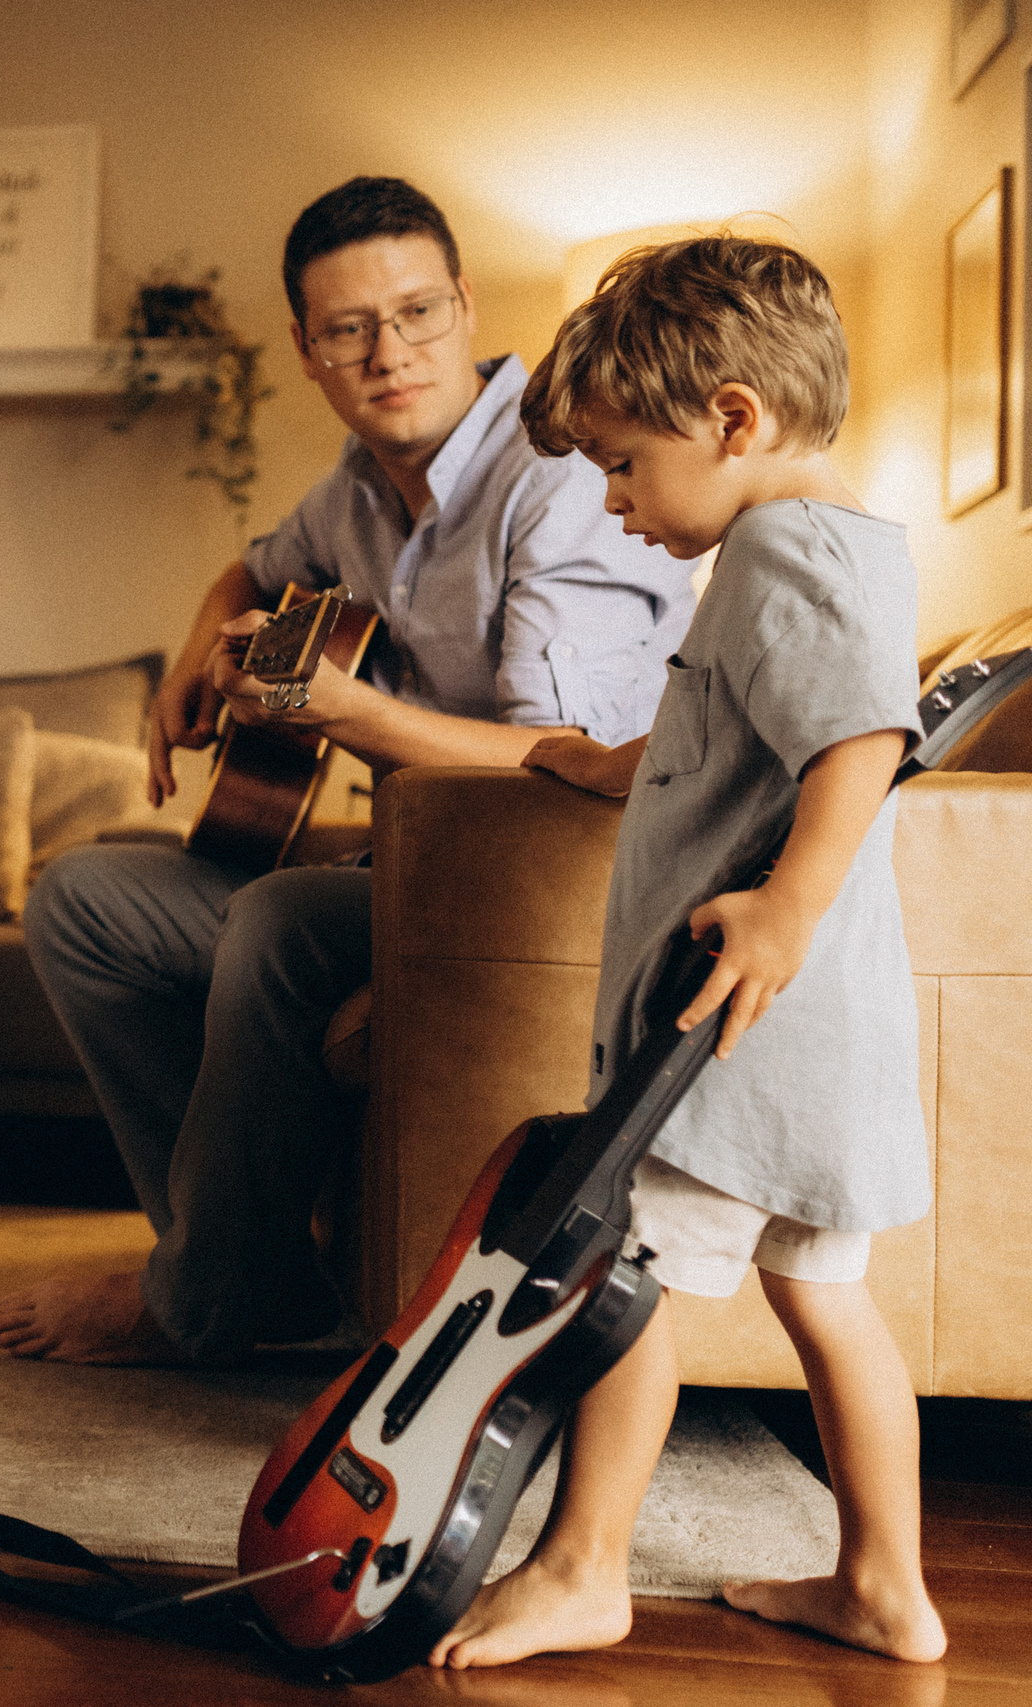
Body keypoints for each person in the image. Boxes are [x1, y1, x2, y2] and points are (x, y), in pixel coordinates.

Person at [0, 178, 695, 1364]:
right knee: (85, 900)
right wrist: (190, 655)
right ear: (306, 350)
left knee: (272, 920)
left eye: (416, 314)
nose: (390, 354)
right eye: (348, 330)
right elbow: (255, 569)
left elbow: (557, 768)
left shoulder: (559, 482)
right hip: (402, 871)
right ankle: (249, 1272)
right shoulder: (357, 490)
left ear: (466, 307)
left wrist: (348, 710)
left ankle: (198, 1301)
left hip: (539, 885)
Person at [431, 236, 944, 1669]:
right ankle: (885, 1585)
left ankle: (586, 1565)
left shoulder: (783, 545)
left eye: (621, 464)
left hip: (743, 1030)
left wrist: (783, 905)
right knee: (825, 1298)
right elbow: (769, 726)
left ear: (731, 417)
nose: (609, 500)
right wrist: (633, 765)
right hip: (822, 1035)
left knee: (619, 1272)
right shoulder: (842, 544)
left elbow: (858, 737)